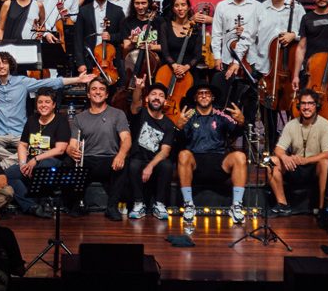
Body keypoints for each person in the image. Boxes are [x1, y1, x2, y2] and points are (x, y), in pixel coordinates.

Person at [0, 51, 93, 168]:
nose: (1, 66)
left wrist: (77, 80)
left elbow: (49, 82)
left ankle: (1, 167)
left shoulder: (22, 82)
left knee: (30, 149)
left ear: (10, 65)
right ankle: (14, 162)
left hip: (19, 133)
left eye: (4, 63)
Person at [174, 84, 247, 223]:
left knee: (240, 156)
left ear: (212, 97)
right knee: (183, 154)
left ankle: (236, 206)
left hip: (219, 164)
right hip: (195, 165)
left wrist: (241, 122)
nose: (203, 95)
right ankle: (189, 205)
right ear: (195, 98)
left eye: (207, 93)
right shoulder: (188, 116)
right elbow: (179, 141)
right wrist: (179, 128)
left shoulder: (221, 115)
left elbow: (236, 132)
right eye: (200, 93)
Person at [66, 78, 132, 221]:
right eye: (94, 89)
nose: (97, 92)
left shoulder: (117, 114)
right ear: (88, 94)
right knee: (68, 162)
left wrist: (121, 155)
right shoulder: (79, 118)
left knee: (125, 162)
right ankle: (78, 204)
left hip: (109, 159)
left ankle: (112, 207)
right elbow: (72, 144)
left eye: (101, 89)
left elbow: (126, 139)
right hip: (88, 159)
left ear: (107, 94)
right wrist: (71, 150)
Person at [5, 88, 71, 216]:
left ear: (53, 105)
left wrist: (36, 160)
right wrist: (23, 163)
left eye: (47, 102)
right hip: (31, 161)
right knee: (7, 175)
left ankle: (46, 201)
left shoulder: (60, 120)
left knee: (44, 166)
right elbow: (23, 145)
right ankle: (32, 206)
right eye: (40, 102)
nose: (43, 105)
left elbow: (60, 149)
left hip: (53, 161)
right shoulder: (32, 120)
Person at [267, 90, 328, 215]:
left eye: (310, 103)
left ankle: (323, 208)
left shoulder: (325, 125)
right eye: (303, 103)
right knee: (272, 161)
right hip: (295, 167)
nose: (306, 107)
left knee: (326, 163)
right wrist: (284, 157)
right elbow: (278, 149)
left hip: (314, 168)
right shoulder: (291, 125)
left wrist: (306, 160)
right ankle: (283, 204)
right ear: (298, 106)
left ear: (316, 106)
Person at [127, 82, 176, 220]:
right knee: (134, 164)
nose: (157, 98)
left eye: (161, 96)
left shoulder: (169, 124)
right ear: (147, 98)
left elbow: (165, 151)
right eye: (153, 94)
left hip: (155, 161)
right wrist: (138, 88)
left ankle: (159, 204)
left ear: (165, 101)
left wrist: (150, 166)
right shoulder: (140, 113)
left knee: (166, 165)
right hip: (138, 158)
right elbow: (135, 103)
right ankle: (138, 204)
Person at [210, 0, 261, 99]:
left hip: (250, 59)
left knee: (250, 97)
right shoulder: (222, 6)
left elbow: (261, 32)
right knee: (228, 95)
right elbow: (216, 33)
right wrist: (217, 56)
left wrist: (247, 32)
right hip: (227, 57)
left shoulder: (257, 6)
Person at [73, 0, 126, 74]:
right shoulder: (83, 11)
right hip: (89, 59)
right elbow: (78, 39)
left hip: (111, 62)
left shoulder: (118, 11)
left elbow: (124, 35)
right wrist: (80, 63)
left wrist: (112, 37)